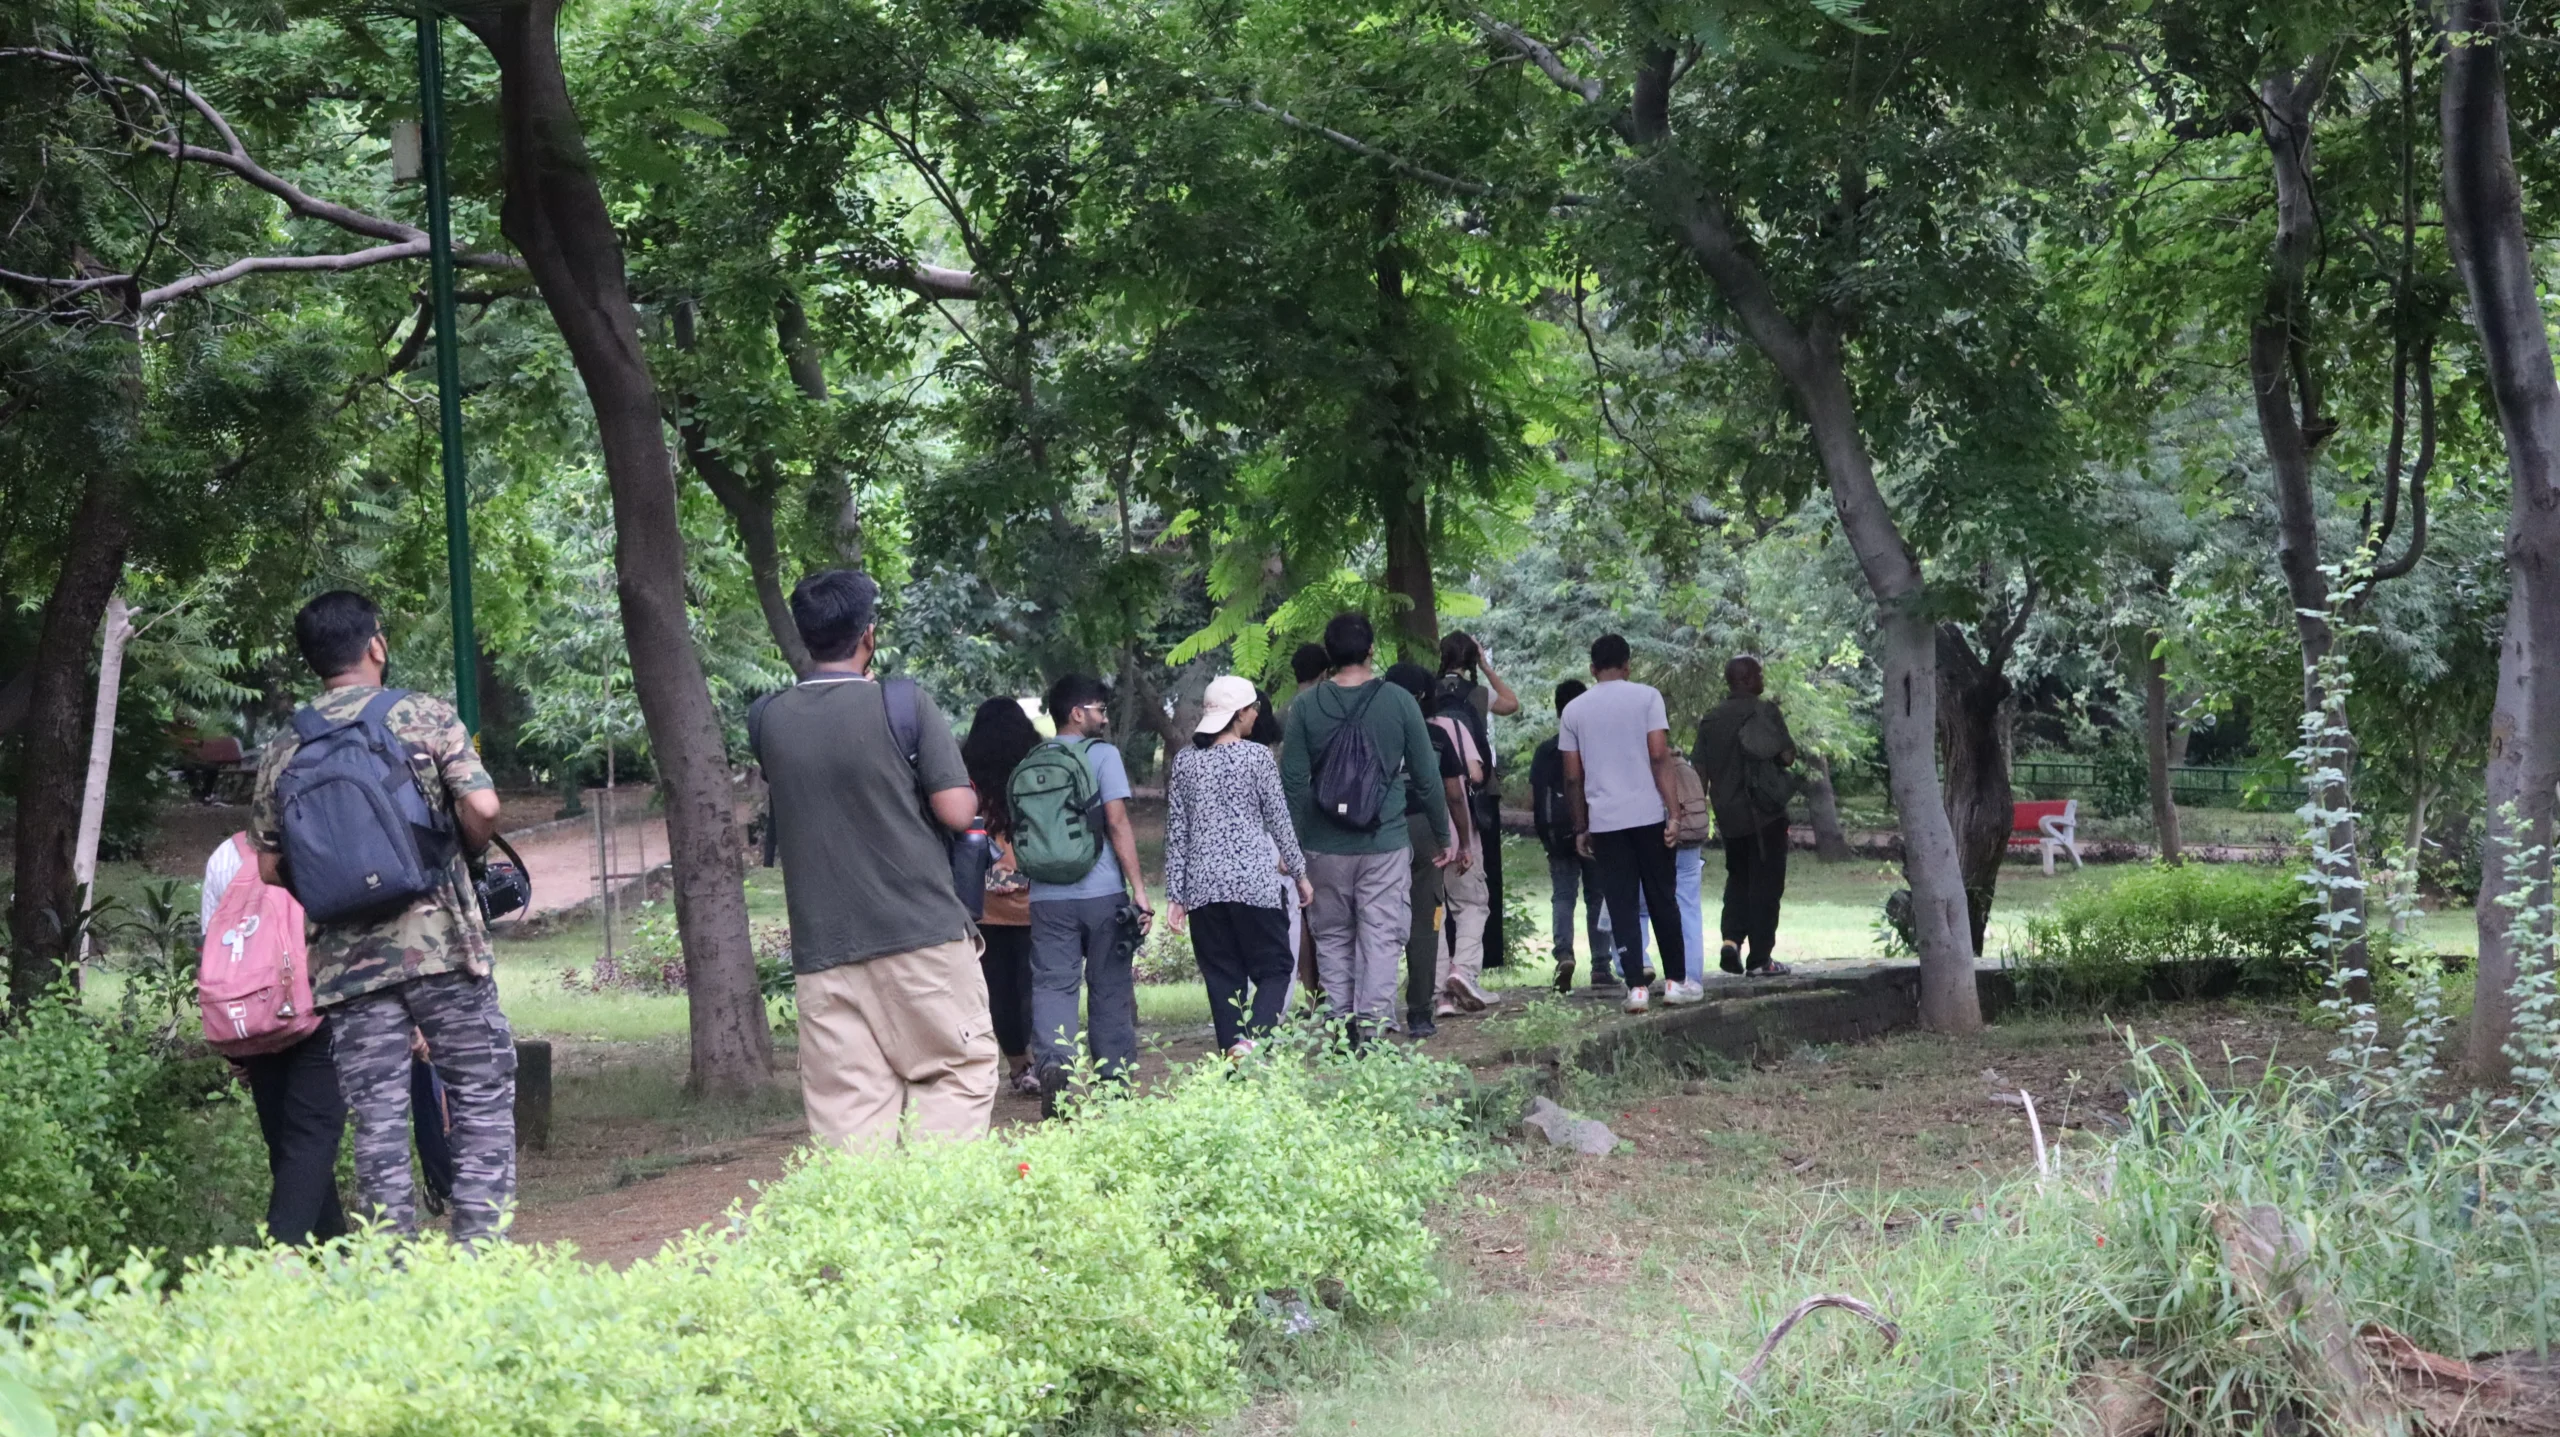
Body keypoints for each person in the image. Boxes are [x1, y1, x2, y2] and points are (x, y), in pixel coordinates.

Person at [249, 590, 513, 1238]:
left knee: (378, 1120)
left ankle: (391, 1268)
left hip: (348, 967)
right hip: (442, 946)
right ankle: (480, 1253)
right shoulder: (423, 715)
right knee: (479, 1092)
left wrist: (338, 891)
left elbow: (268, 865)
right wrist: (458, 852)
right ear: (376, 644)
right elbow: (482, 807)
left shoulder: (284, 746)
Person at [756, 570, 996, 1146]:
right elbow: (957, 811)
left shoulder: (767, 719)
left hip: (824, 951)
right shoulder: (903, 703)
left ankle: (869, 1208)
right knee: (957, 1073)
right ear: (869, 634)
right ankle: (937, 1204)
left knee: (849, 1113)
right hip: (921, 934)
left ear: (805, 636)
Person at [1280, 613, 1451, 1045]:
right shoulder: (1399, 701)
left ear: (1329, 655)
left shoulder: (1305, 707)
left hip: (1323, 845)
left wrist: (1289, 846)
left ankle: (1341, 1029)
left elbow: (1293, 783)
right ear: (1371, 650)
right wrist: (1443, 833)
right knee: (1381, 934)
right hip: (1384, 840)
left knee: (1333, 934)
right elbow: (1427, 777)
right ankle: (1373, 1029)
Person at [201, 835, 348, 1246]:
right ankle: (282, 1258)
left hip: (256, 1016)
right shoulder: (330, 838)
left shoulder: (226, 856)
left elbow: (213, 953)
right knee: (310, 1139)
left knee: (288, 1145)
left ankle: (336, 1259)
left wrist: (234, 1047)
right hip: (322, 1004)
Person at [1164, 676, 1310, 1056]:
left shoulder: (1185, 762)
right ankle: (1253, 1043)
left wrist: (1175, 897)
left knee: (1223, 980)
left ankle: (1234, 1063)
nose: (1257, 715)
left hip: (1203, 890)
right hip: (1255, 885)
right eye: (1253, 709)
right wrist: (1300, 875)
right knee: (1276, 969)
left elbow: (1177, 833)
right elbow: (1280, 822)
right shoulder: (1257, 757)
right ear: (1240, 714)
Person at [1025, 673, 1152, 1103]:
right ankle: (1114, 1080)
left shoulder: (1035, 759)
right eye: (1100, 710)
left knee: (1052, 986)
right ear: (1077, 713)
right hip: (1101, 893)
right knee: (1109, 985)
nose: (1105, 718)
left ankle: (1054, 1064)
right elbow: (1116, 822)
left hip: (1046, 896)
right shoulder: (1103, 755)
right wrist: (1139, 889)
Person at [1558, 633, 1697, 1013]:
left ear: (1592, 669)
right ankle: (1675, 982)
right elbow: (1659, 756)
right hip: (1648, 814)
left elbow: (1572, 776)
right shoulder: (1647, 698)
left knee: (1621, 903)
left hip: (1605, 821)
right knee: (1662, 897)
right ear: (1628, 665)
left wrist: (1581, 825)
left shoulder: (1574, 711)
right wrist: (1674, 812)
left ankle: (1635, 987)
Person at [1694, 654, 1802, 975]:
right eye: (1759, 674)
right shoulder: (1765, 711)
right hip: (1766, 815)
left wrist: (1701, 811)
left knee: (1738, 877)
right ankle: (1760, 959)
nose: (1762, 679)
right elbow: (1788, 757)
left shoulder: (1711, 719)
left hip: (1729, 816)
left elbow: (1699, 771)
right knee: (1767, 884)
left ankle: (1731, 940)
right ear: (1746, 679)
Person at [962, 696, 1045, 1098]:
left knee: (999, 990)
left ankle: (1019, 1066)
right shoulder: (1038, 773)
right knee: (1039, 986)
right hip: (1037, 897)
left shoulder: (965, 779)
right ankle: (1045, 1061)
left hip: (984, 903)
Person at [1385, 663, 1474, 1037]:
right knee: (1426, 920)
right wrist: (1462, 842)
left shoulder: (1373, 731)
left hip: (1378, 830)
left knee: (1376, 920)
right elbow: (1453, 794)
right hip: (1424, 831)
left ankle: (1377, 1010)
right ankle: (1420, 1012)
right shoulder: (1436, 736)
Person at [1434, 632, 1519, 967]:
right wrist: (1485, 666)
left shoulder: (1428, 693)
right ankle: (1471, 963)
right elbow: (1511, 703)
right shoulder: (1479, 693)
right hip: (1475, 794)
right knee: (1475, 881)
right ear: (1471, 659)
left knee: (1434, 890)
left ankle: (1437, 967)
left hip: (1431, 793)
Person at [1531, 679, 1611, 992]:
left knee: (1563, 896)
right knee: (1598, 896)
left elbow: (1537, 797)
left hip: (1557, 835)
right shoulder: (1594, 748)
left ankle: (1564, 955)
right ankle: (1601, 966)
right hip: (1594, 829)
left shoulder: (1545, 751)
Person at [1420, 676, 1492, 1016]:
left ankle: (1440, 996)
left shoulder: (1396, 727)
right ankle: (1462, 971)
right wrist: (1464, 842)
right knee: (1472, 904)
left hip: (1418, 835)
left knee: (1433, 913)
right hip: (1457, 828)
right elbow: (1475, 776)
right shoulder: (1450, 726)